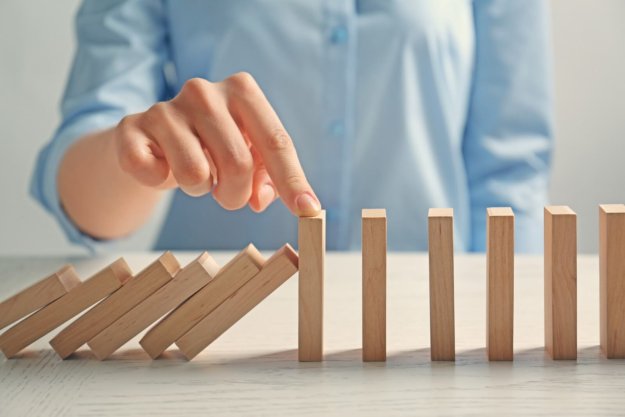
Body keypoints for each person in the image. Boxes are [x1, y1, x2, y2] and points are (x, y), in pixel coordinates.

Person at [31, 0, 553, 253]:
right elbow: (82, 158)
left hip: (429, 336)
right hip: (212, 339)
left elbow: (509, 167)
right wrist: (139, 153)